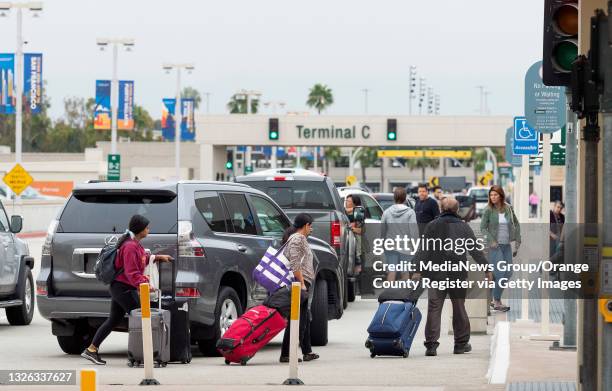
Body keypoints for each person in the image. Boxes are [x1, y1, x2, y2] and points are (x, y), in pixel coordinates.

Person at [81, 214, 173, 365]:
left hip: (121, 287)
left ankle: (91, 350)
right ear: (140, 229)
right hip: (123, 288)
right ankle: (143, 356)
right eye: (147, 227)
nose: (149, 229)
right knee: (142, 319)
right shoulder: (130, 246)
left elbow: (142, 257)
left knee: (113, 320)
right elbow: (132, 273)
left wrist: (157, 257)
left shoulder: (134, 244)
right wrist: (145, 284)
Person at [413, 197, 492, 356]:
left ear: (441, 209)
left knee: (434, 308)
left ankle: (431, 345)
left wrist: (416, 270)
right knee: (459, 306)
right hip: (457, 273)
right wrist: (487, 269)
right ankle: (460, 344)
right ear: (457, 210)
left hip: (436, 274)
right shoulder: (464, 227)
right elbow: (475, 250)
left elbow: (423, 250)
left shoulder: (432, 225)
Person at [280, 213, 319, 363]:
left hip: (302, 282)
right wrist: (302, 283)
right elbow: (295, 263)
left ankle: (307, 351)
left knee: (304, 317)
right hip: (299, 284)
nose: (311, 229)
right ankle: (286, 354)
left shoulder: (298, 238)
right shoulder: (297, 239)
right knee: (299, 320)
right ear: (306, 225)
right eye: (311, 226)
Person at [480, 185, 521, 312]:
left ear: (501, 195)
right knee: (500, 273)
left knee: (508, 273)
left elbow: (516, 223)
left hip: (506, 245)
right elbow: (483, 228)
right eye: (491, 195)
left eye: (495, 195)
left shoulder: (508, 208)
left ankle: (491, 300)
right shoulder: (488, 210)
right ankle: (496, 300)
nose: (493, 197)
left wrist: (518, 240)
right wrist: (491, 240)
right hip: (495, 246)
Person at [380, 187, 419, 281]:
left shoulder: (387, 212)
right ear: (405, 198)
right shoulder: (410, 212)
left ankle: (389, 294)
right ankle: (404, 294)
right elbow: (413, 231)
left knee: (391, 271)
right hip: (406, 246)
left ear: (394, 198)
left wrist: (382, 243)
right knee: (405, 272)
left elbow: (382, 230)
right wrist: (415, 246)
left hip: (390, 246)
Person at [345, 194, 363, 274]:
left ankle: (358, 262)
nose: (346, 202)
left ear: (354, 203)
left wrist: (351, 227)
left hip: (354, 239)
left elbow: (360, 230)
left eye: (348, 201)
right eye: (346, 201)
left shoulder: (359, 211)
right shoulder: (343, 211)